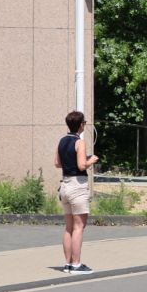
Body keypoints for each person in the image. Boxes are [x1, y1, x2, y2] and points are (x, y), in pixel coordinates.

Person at [54, 110, 98, 274]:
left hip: (65, 184)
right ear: (81, 125)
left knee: (69, 227)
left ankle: (68, 263)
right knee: (79, 226)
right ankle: (77, 264)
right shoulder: (79, 142)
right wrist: (91, 160)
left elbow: (57, 163)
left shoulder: (62, 141)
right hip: (77, 185)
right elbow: (81, 166)